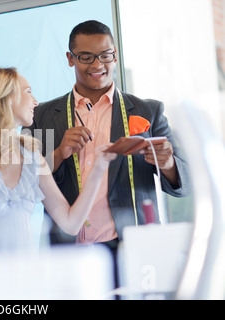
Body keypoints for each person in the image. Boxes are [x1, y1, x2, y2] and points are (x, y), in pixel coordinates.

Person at [22, 20, 190, 250]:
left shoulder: (148, 111)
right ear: (70, 59)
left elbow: (186, 183)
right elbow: (24, 182)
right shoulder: (41, 116)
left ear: (115, 55)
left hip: (134, 246)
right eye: (86, 57)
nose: (97, 64)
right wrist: (59, 154)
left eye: (105, 55)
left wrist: (168, 163)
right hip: (68, 249)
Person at [0, 67, 116, 253]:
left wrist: (98, 170)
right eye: (29, 92)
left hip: (27, 277)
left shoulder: (32, 157)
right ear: (8, 96)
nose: (35, 102)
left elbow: (70, 224)